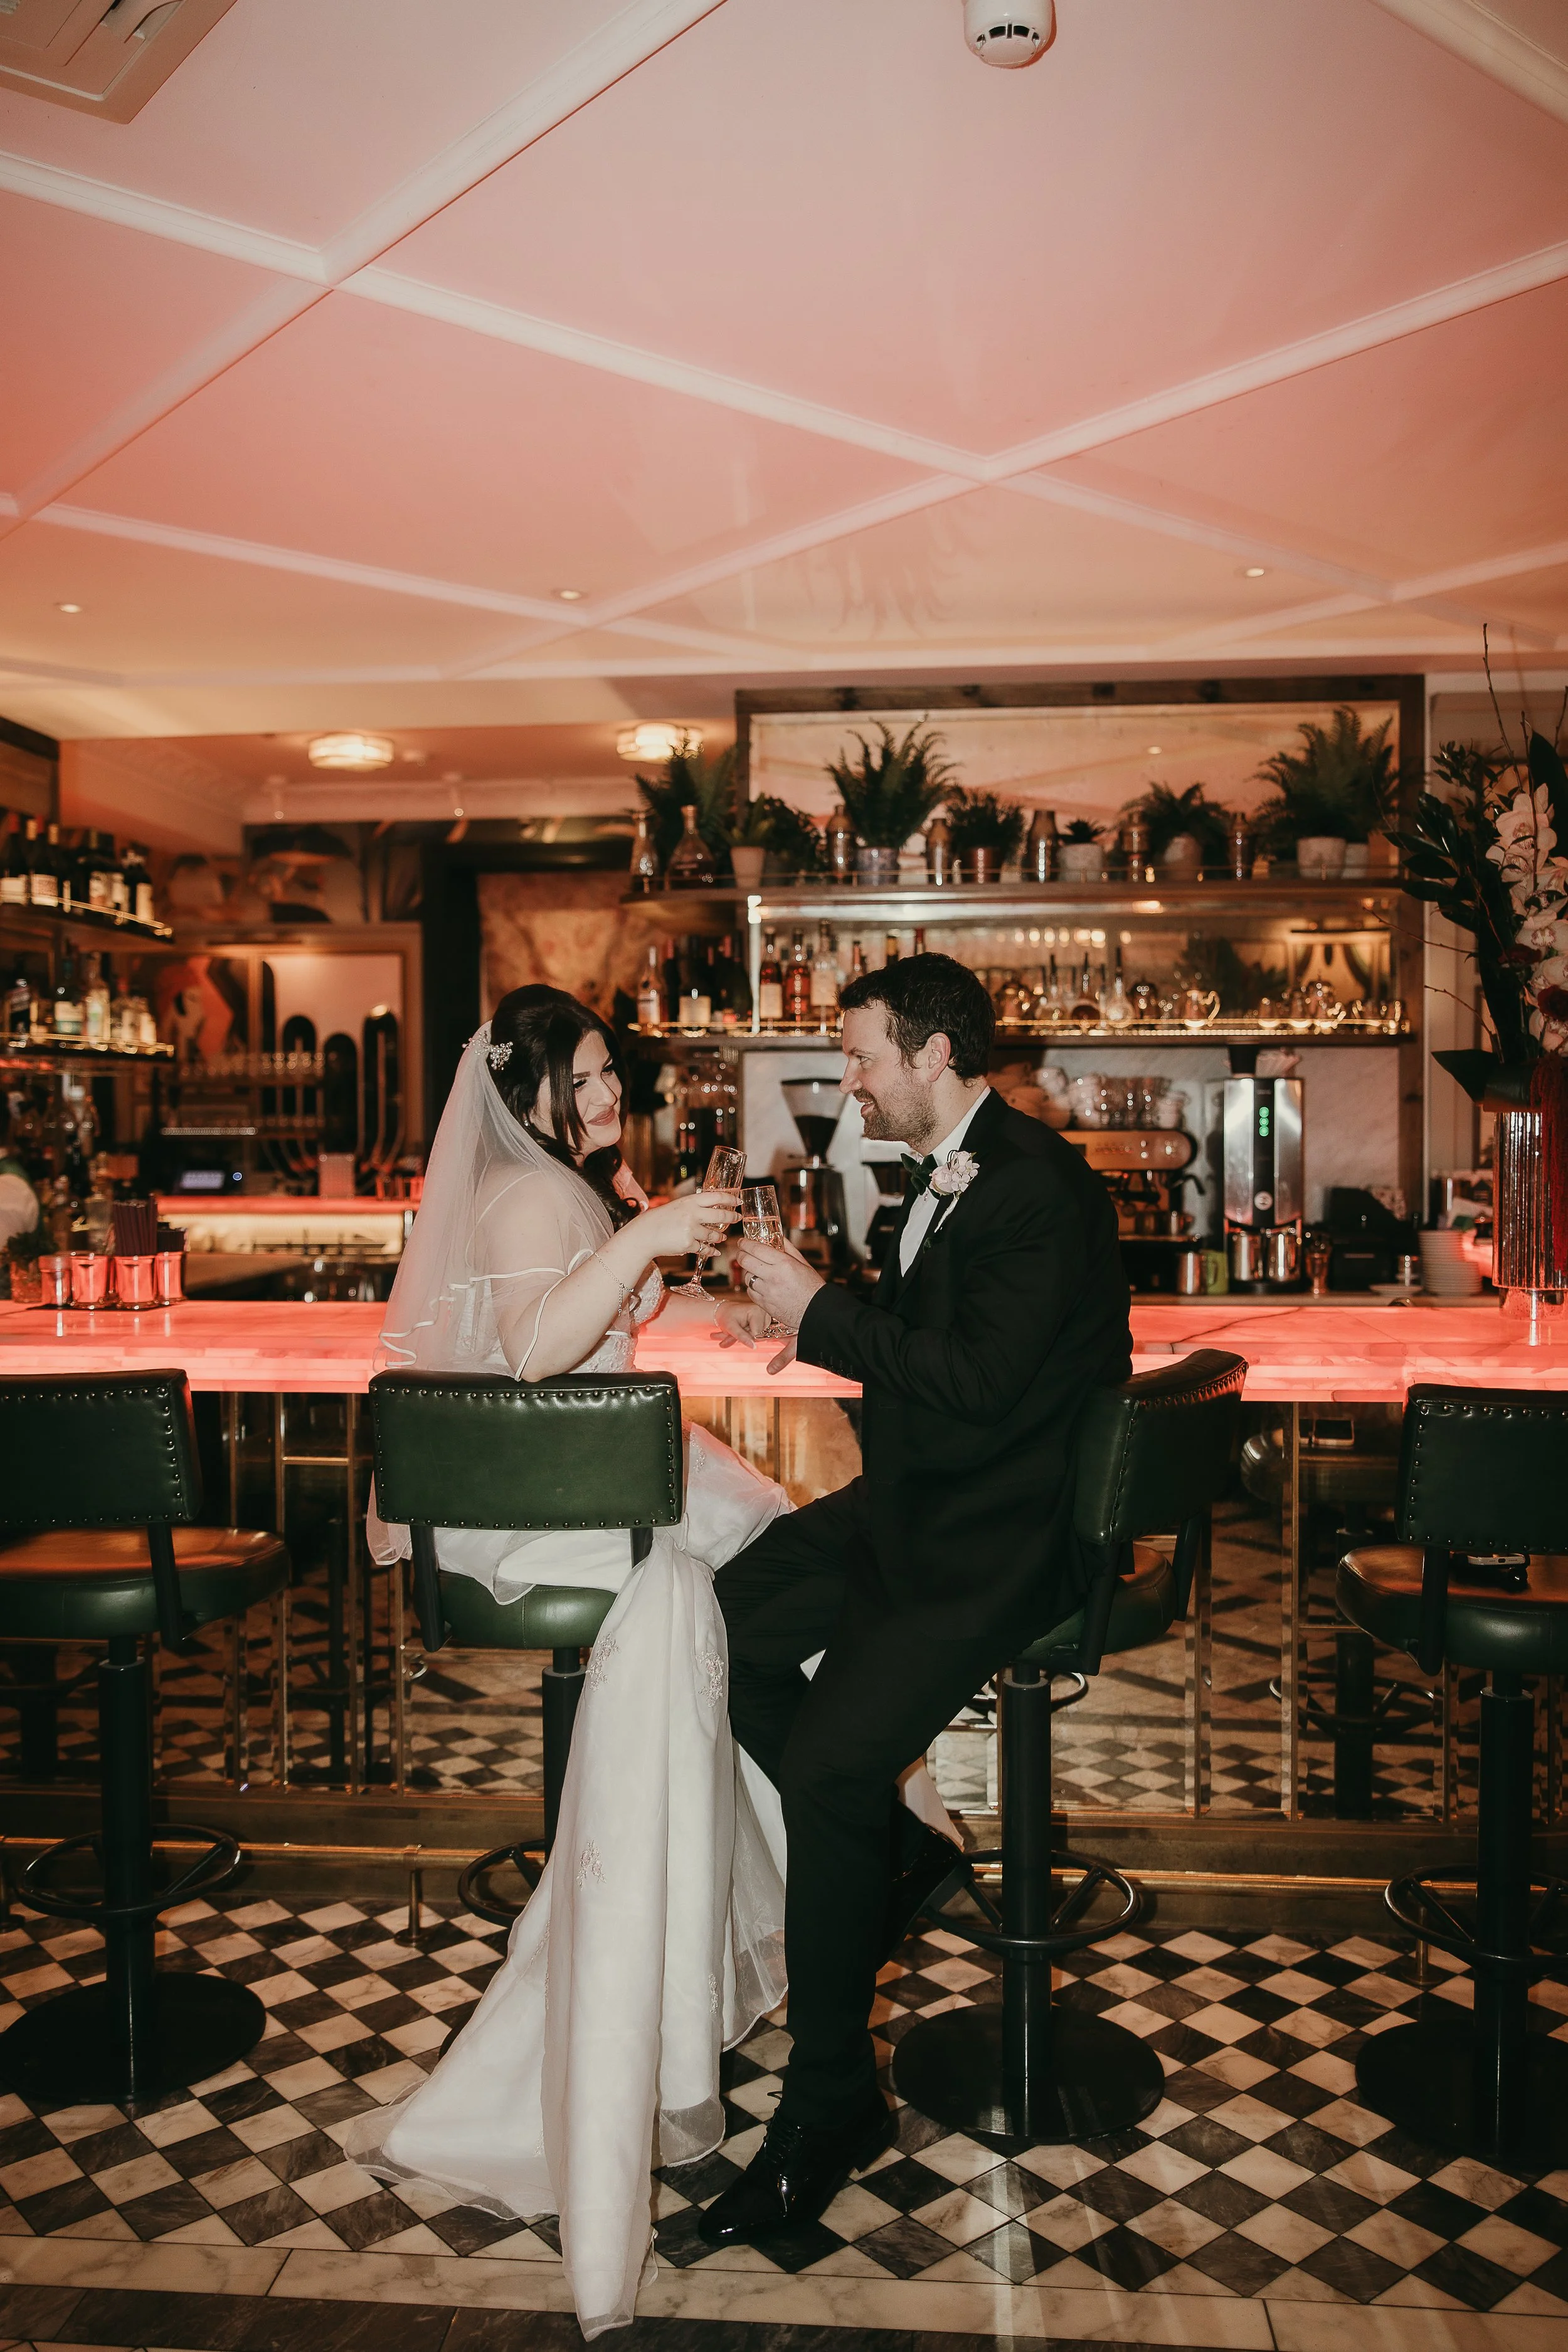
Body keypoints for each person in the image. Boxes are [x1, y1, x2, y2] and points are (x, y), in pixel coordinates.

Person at [351, 985, 951, 2337]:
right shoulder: (528, 1198)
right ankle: (847, 1836)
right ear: (531, 1090)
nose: (612, 1097)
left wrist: (675, 1285)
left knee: (769, 1563)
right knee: (751, 1578)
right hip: (544, 1518)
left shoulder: (569, 1186)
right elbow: (534, 1352)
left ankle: (845, 1831)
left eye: (615, 1074)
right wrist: (644, 1239)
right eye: (590, 1078)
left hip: (592, 1480)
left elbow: (590, 1335)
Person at [701, 953, 1132, 2247]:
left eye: (862, 1058)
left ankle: (826, 2103)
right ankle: (901, 1853)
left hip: (1000, 1540)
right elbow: (922, 1363)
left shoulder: (1037, 1188)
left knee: (834, 1766)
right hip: (917, 1507)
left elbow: (984, 1382)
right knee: (716, 1627)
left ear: (933, 1055)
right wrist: (789, 1324)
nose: (850, 1080)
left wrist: (823, 1311)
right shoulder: (938, 1177)